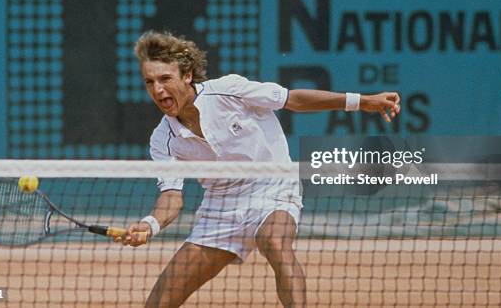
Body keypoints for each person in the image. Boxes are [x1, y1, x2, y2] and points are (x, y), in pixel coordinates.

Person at [115, 31, 400, 307]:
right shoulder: (162, 139)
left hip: (272, 185)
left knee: (274, 242)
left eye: (165, 78)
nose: (158, 89)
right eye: (149, 82)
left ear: (187, 75)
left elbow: (293, 99)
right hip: (220, 209)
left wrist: (361, 102)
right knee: (159, 301)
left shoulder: (228, 90)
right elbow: (172, 197)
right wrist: (150, 224)